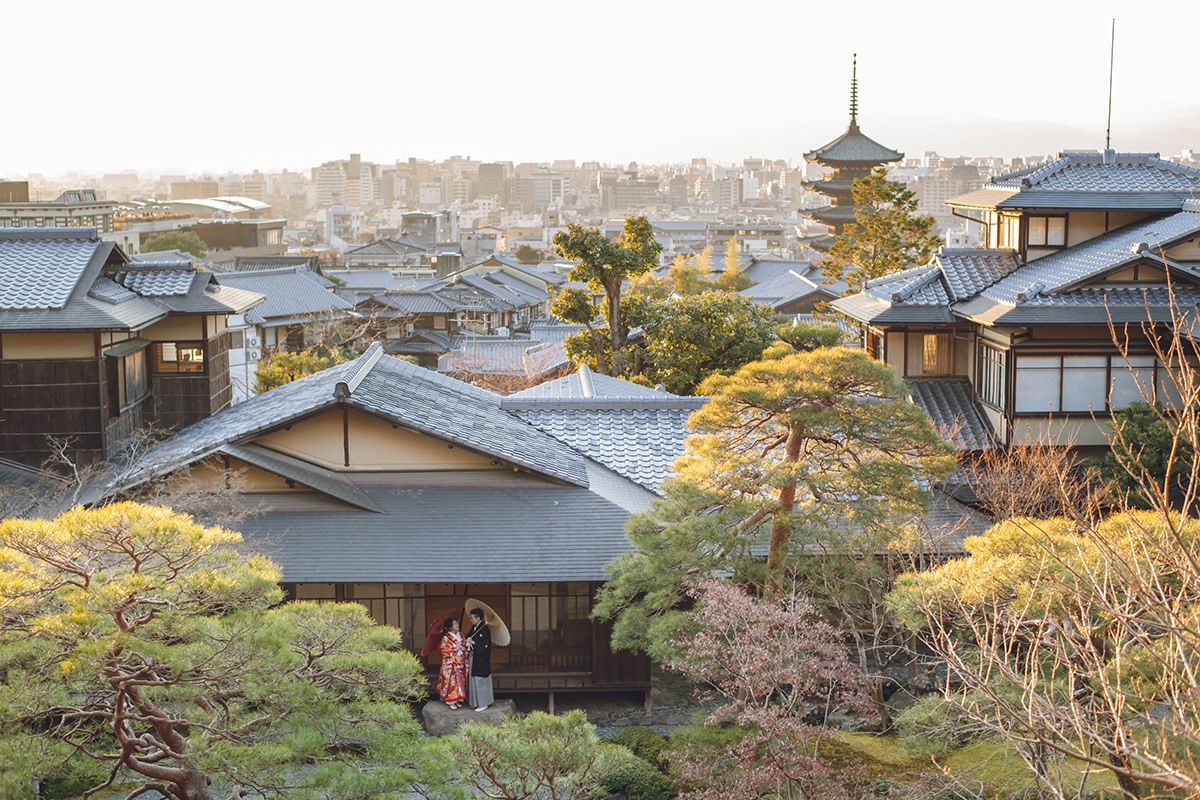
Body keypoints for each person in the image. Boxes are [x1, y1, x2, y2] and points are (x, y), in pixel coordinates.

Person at [465, 607, 494, 712]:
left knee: (480, 681)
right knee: (473, 680)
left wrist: (474, 643)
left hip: (481, 660)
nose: (471, 620)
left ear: (478, 618)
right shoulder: (474, 628)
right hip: (474, 657)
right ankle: (475, 702)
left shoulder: (485, 629)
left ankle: (483, 703)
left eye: (472, 618)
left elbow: (486, 645)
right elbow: (469, 637)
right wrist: (468, 640)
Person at [436, 616, 467, 710]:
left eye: (457, 623)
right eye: (455, 624)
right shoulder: (446, 637)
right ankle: (451, 701)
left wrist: (464, 646)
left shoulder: (461, 635)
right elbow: (441, 648)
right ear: (450, 627)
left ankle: (458, 699)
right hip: (451, 663)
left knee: (460, 682)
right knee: (452, 682)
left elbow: (465, 646)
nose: (457, 625)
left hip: (460, 661)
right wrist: (454, 649)